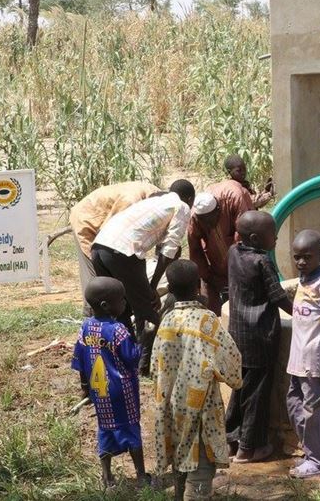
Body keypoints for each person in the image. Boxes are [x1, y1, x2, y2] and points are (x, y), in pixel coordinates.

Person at [151, 260, 242, 501]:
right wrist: (232, 380)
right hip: (201, 407)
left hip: (171, 404)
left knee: (180, 459)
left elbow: (154, 366)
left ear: (169, 289)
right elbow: (232, 360)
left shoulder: (166, 321)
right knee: (201, 465)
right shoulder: (208, 321)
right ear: (198, 286)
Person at [225, 211, 293, 463]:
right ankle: (248, 449)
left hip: (238, 336)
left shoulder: (233, 253)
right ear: (255, 238)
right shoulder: (262, 262)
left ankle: (230, 440)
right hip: (261, 338)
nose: (275, 237)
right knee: (256, 396)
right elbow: (278, 297)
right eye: (271, 233)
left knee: (239, 389)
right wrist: (303, 311)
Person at [71, 276, 149, 489]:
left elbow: (79, 360)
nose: (125, 303)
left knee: (105, 428)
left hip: (100, 390)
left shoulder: (85, 328)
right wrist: (143, 337)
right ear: (106, 305)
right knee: (131, 427)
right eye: (122, 299)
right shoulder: (118, 330)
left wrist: (85, 389)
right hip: (122, 390)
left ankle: (107, 477)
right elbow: (132, 358)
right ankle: (142, 475)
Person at [92, 180, 194, 340]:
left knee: (120, 309)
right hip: (123, 250)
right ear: (190, 199)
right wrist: (151, 288)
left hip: (99, 246)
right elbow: (169, 250)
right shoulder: (182, 206)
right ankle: (145, 364)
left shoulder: (155, 200)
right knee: (148, 315)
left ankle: (124, 358)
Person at [286, 229, 320, 479]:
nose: (301, 262)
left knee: (314, 413)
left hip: (315, 362)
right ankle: (311, 454)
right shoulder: (304, 280)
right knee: (295, 406)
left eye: (307, 257)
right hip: (298, 360)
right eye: (296, 257)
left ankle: (319, 462)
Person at [69, 181, 158, 314]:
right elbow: (110, 233)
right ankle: (93, 318)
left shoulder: (155, 197)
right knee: (96, 277)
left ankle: (115, 313)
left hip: (101, 224)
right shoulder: (132, 201)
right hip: (88, 221)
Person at [187, 169, 258, 315]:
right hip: (216, 263)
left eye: (210, 220)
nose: (208, 225)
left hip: (239, 247)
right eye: (204, 222)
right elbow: (194, 250)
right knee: (211, 303)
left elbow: (243, 238)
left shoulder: (235, 198)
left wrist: (235, 272)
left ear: (218, 209)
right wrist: (208, 276)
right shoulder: (195, 216)